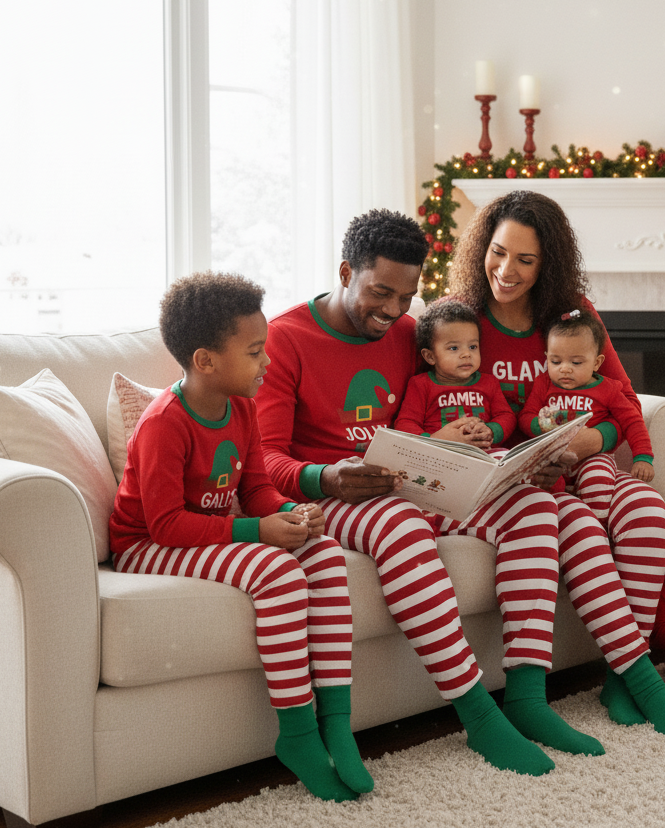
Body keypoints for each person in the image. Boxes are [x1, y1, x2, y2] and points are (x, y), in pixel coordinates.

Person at [256, 207, 604, 776]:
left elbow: (443, 409)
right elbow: (263, 459)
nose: (394, 311)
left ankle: (526, 696)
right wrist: (327, 477)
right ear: (345, 272)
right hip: (330, 494)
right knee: (400, 523)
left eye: (406, 296)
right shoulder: (286, 340)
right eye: (380, 293)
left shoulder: (406, 334)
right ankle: (478, 716)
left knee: (537, 506)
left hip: (411, 479)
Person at [109, 272, 373, 803]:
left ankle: (336, 722)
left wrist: (290, 513)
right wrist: (259, 532)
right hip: (145, 545)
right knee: (275, 569)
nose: (267, 363)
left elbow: (255, 486)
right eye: (255, 353)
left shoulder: (244, 407)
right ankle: (297, 735)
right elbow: (164, 525)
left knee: (321, 552)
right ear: (205, 361)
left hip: (197, 533)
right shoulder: (165, 423)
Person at [447, 189, 665, 730]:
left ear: (548, 263)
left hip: (576, 459)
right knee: (572, 519)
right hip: (505, 480)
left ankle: (621, 678)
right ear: (482, 248)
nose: (507, 270)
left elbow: (623, 398)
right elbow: (433, 404)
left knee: (645, 506)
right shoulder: (459, 321)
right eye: (499, 252)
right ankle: (623, 679)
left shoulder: (573, 317)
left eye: (526, 259)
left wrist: (591, 443)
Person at [518, 307, 654, 522]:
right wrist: (540, 426)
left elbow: (632, 420)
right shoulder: (544, 383)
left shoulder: (609, 389)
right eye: (556, 361)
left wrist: (643, 457)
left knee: (597, 478)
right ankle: (565, 522)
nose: (564, 369)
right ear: (547, 357)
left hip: (593, 458)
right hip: (553, 458)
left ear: (596, 363)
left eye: (576, 362)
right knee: (539, 484)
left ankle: (596, 524)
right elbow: (526, 416)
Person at [395, 298, 516, 447]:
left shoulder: (489, 383)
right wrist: (434, 440)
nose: (466, 354)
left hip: (485, 454)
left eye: (472, 347)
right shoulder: (421, 384)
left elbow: (506, 416)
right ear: (430, 356)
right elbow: (405, 423)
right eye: (454, 348)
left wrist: (491, 431)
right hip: (440, 455)